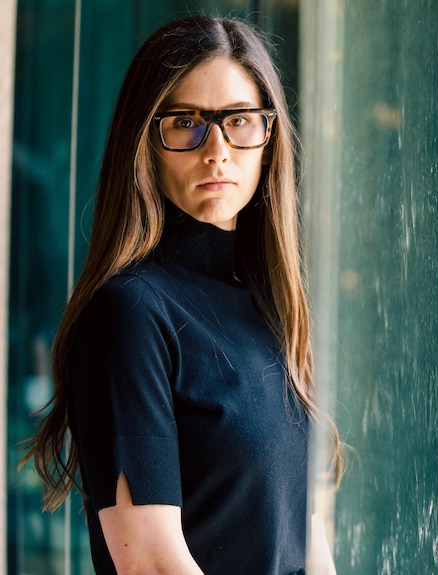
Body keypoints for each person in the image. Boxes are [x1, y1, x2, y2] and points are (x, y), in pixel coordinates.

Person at [20, 16, 342, 575]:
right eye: (187, 123)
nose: (217, 150)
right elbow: (151, 563)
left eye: (239, 121)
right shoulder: (130, 313)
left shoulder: (272, 311)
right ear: (145, 141)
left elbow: (306, 538)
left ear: (269, 139)